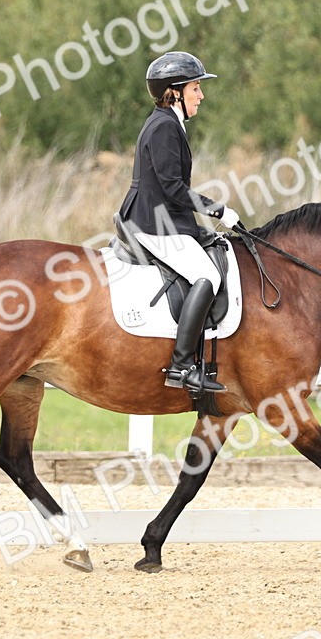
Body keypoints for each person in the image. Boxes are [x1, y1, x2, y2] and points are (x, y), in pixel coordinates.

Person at [118, 51, 241, 394]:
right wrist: (217, 210)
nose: (201, 95)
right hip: (154, 222)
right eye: (196, 88)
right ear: (175, 91)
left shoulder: (167, 123)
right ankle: (181, 366)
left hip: (165, 218)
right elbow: (173, 188)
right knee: (208, 275)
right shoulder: (164, 127)